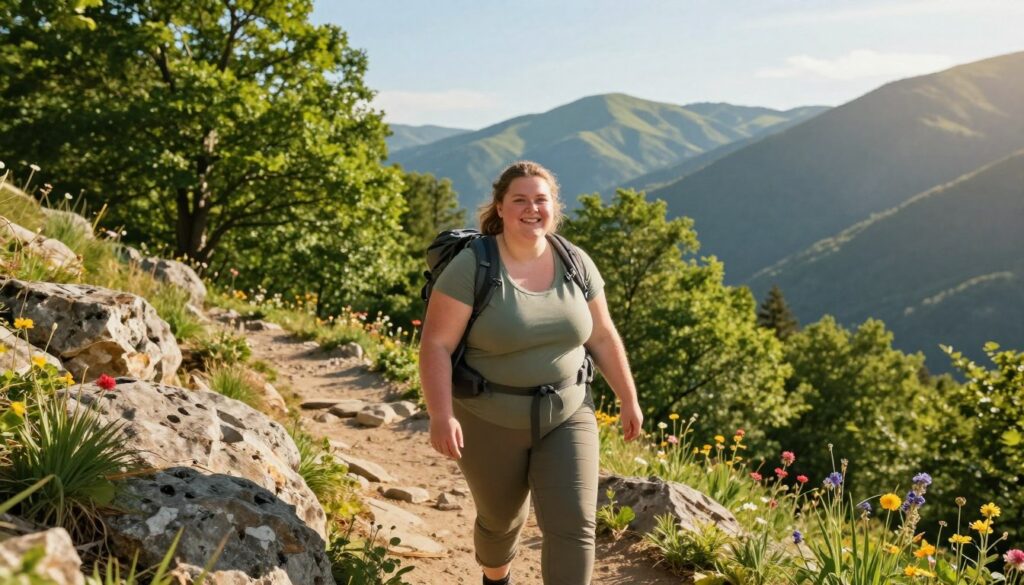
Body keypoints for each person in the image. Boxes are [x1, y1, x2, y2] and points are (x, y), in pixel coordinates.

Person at [419, 160, 643, 585]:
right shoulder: (473, 266)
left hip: (568, 411)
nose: (531, 208)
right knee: (500, 520)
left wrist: (628, 397)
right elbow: (437, 344)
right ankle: (495, 578)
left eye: (541, 199)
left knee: (574, 525)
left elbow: (602, 335)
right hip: (487, 417)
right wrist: (440, 414)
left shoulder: (574, 261)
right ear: (499, 208)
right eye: (519, 199)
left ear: (553, 206)